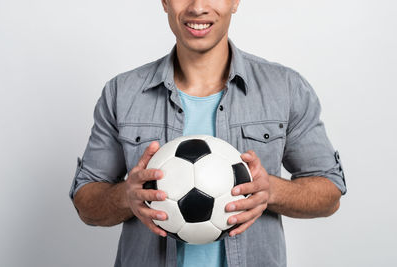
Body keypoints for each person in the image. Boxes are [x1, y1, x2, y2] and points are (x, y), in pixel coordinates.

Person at [69, 0, 346, 266]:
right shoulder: (122, 94)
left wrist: (271, 191)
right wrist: (125, 197)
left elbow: (330, 193)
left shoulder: (284, 89)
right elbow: (86, 201)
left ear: (235, 1)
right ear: (164, 1)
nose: (198, 7)